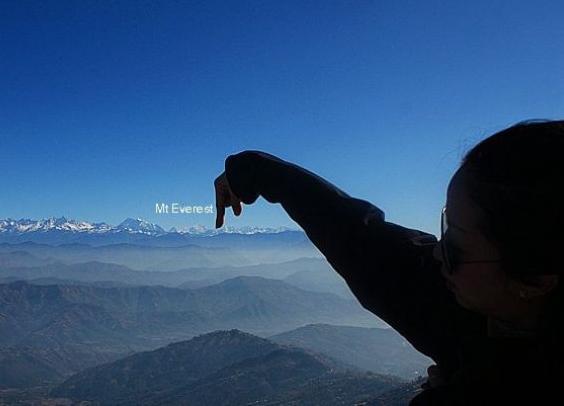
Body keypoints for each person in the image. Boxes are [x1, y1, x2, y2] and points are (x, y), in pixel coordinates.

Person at [214, 119, 564, 405]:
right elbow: (356, 235)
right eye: (445, 227)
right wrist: (255, 171)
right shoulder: (458, 299)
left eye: (457, 244)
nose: (437, 251)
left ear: (535, 281)